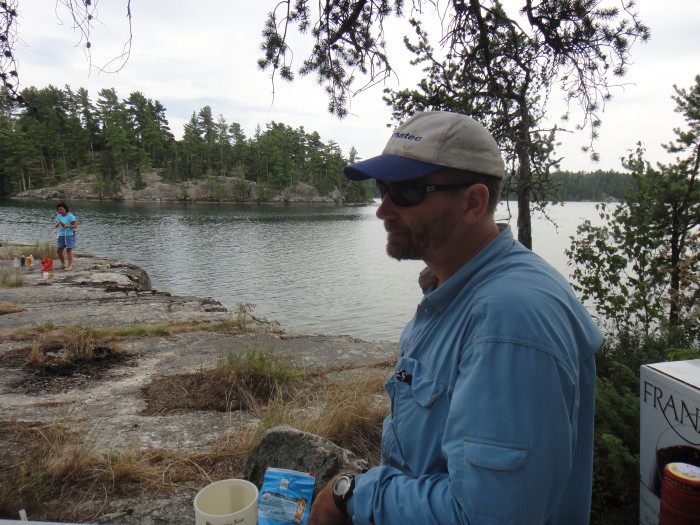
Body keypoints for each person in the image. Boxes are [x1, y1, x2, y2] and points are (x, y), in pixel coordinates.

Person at [308, 111, 603, 525]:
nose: (383, 210)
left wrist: (353, 495)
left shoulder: (509, 323)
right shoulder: (455, 290)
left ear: (473, 202)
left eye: (407, 192)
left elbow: (490, 515)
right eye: (383, 188)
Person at [54, 202, 77, 270]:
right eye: (59, 210)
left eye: (61, 209)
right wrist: (57, 224)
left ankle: (70, 265)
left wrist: (67, 226)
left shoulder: (71, 216)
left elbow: (75, 226)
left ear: (65, 209)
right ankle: (63, 264)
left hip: (69, 235)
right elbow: (56, 225)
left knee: (68, 249)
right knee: (59, 250)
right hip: (61, 235)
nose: (60, 211)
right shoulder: (59, 216)